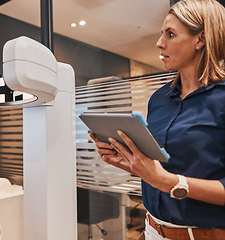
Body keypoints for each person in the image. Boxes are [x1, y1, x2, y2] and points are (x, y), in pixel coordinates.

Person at [90, 0, 225, 239]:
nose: (159, 43)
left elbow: (165, 178)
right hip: (152, 229)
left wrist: (169, 182)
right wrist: (129, 162)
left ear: (200, 39)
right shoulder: (160, 98)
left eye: (170, 34)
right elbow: (158, 166)